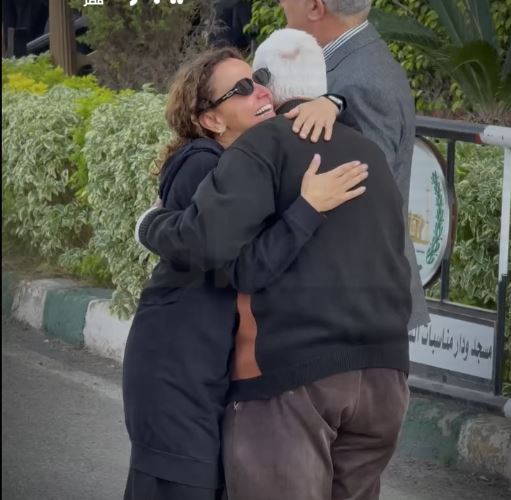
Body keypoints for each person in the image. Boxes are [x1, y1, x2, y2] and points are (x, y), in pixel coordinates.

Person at [137, 28, 412, 500]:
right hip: (387, 382)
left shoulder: (261, 147)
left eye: (256, 81)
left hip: (295, 380)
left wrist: (149, 224)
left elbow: (221, 254)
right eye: (244, 87)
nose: (257, 92)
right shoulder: (369, 152)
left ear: (271, 86)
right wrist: (333, 105)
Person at [282, 0, 430, 331]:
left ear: (316, 7)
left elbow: (362, 193)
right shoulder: (348, 64)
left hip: (357, 307)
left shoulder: (363, 81)